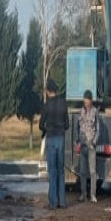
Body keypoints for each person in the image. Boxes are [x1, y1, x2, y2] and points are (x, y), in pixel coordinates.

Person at [39, 79, 69, 209]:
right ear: (56, 90)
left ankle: (53, 202)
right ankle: (62, 202)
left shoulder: (46, 106)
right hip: (61, 138)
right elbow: (67, 124)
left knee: (52, 170)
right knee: (61, 170)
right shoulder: (63, 104)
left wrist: (46, 129)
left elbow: (41, 125)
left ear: (47, 91)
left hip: (51, 137)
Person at [77, 90, 104, 203]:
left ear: (91, 100)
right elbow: (78, 127)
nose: (86, 102)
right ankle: (83, 193)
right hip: (83, 145)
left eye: (88, 100)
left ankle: (93, 194)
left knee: (92, 171)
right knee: (83, 171)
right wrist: (77, 141)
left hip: (91, 145)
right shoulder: (81, 111)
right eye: (85, 100)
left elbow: (98, 129)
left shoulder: (95, 112)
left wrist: (94, 141)